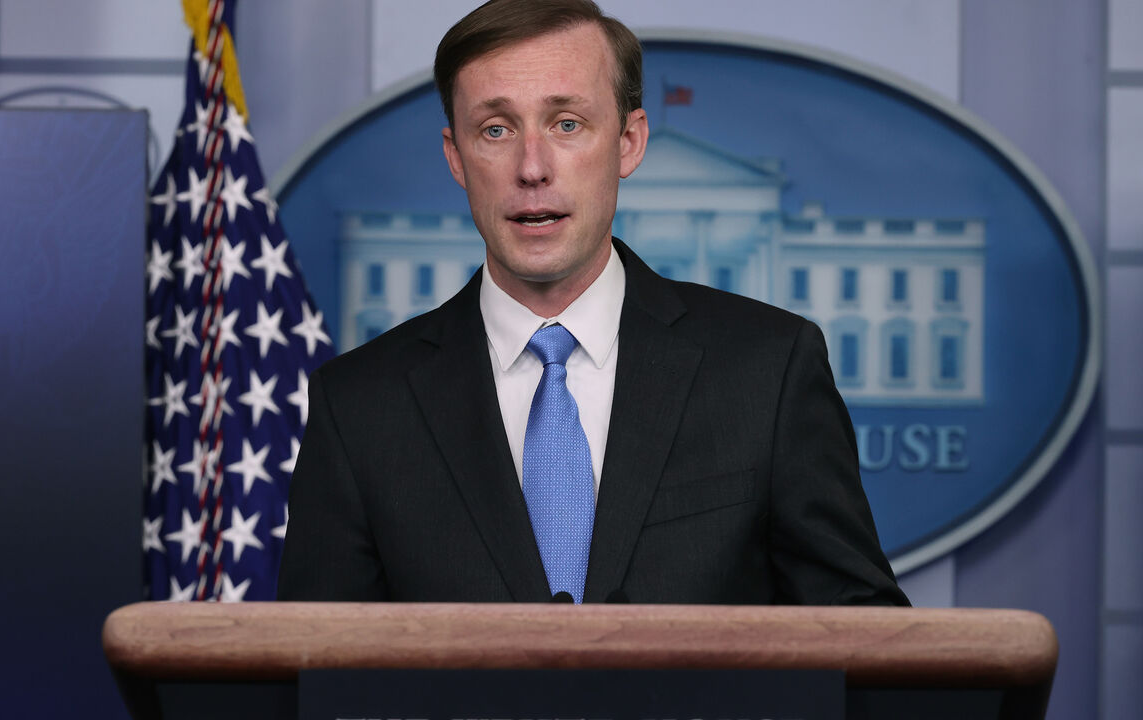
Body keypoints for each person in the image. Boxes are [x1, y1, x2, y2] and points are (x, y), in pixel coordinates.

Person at [277, 0, 908, 606]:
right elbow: (315, 674)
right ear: (457, 159)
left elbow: (867, 650)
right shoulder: (358, 406)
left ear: (629, 143)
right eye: (495, 129)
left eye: (566, 124)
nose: (532, 167)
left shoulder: (768, 369)